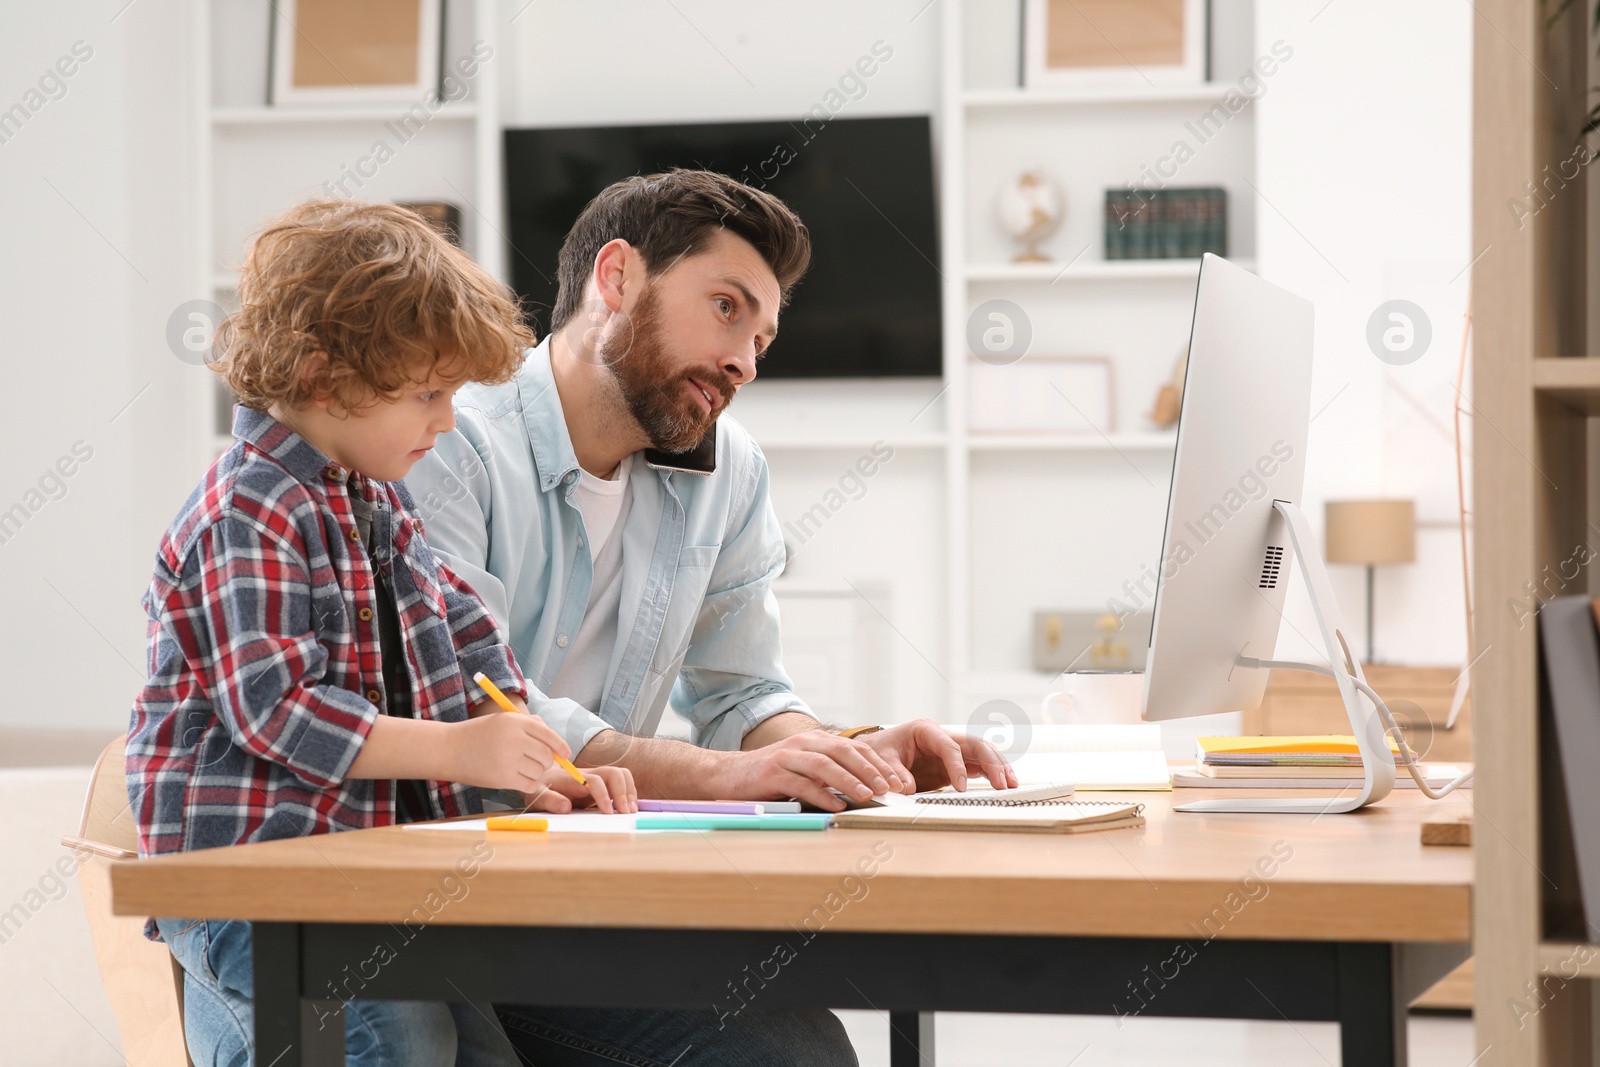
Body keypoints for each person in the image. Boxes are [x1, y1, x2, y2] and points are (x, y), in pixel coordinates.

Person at [405, 169, 1017, 1066]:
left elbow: (746, 690)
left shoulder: (729, 472)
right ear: (616, 280)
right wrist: (726, 776)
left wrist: (842, 756)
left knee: (797, 1052)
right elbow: (477, 698)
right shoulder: (448, 437)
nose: (747, 361)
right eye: (727, 308)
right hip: (441, 902)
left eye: (763, 335)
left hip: (590, 902)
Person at [126, 200, 636, 1067]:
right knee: (394, 1042)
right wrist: (458, 752)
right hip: (246, 885)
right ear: (327, 378)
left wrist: (541, 759)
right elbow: (277, 711)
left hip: (360, 884)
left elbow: (467, 640)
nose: (446, 422)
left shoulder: (378, 498)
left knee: (478, 1052)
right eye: (427, 394)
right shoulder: (247, 510)